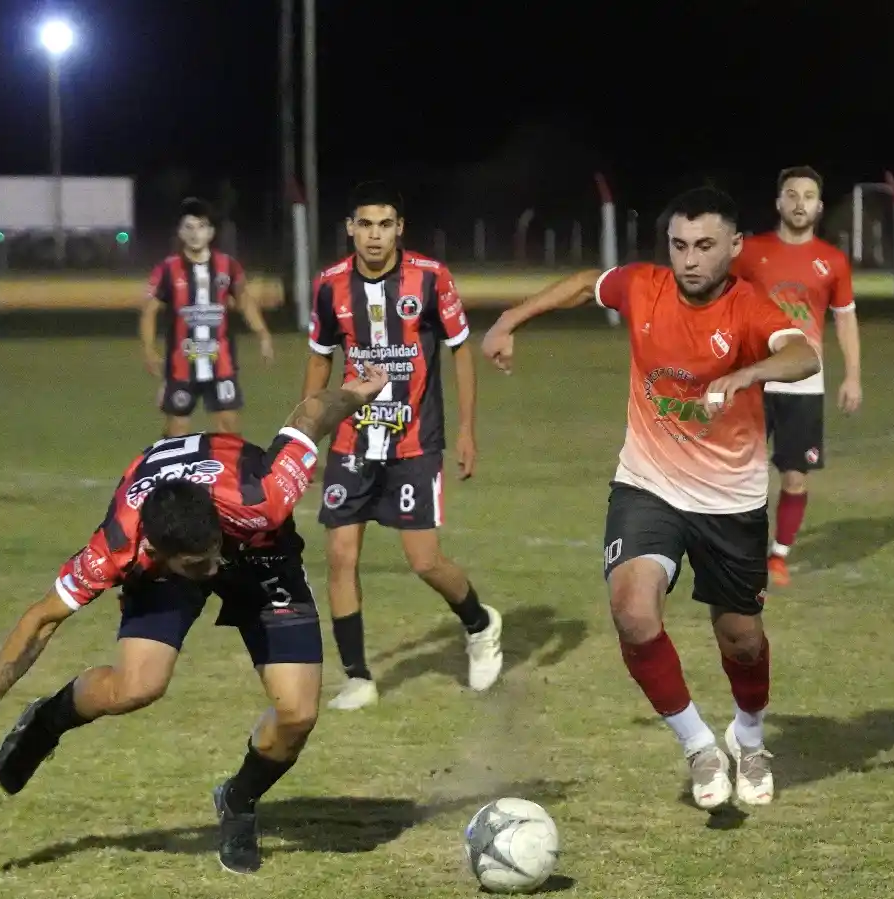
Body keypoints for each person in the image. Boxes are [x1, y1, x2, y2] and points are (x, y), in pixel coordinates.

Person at [0, 364, 390, 875]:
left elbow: (309, 417)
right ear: (156, 552)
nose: (213, 569)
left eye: (213, 555)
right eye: (200, 567)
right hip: (175, 555)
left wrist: (355, 393)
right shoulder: (119, 546)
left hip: (258, 548)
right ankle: (50, 718)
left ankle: (238, 800)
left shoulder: (263, 498)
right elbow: (43, 619)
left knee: (298, 715)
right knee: (139, 686)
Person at [481, 187, 820, 809]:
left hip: (730, 501)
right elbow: (587, 283)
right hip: (648, 485)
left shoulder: (749, 309)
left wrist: (746, 374)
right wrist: (508, 320)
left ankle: (748, 737)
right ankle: (699, 748)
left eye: (706, 246)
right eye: (680, 245)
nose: (690, 260)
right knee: (633, 612)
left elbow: (801, 355)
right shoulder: (644, 287)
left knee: (741, 639)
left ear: (735, 247)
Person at [302, 180, 502, 711]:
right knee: (340, 556)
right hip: (350, 440)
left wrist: (465, 430)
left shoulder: (431, 279)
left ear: (399, 229)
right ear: (350, 228)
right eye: (364, 224)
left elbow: (460, 351)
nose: (374, 235)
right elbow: (320, 357)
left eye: (385, 224)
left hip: (415, 442)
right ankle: (358, 676)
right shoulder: (328, 287)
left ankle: (480, 625)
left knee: (424, 561)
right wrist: (306, 431)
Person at [731, 166, 862, 587]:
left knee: (795, 474)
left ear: (819, 207)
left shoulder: (833, 261)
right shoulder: (749, 252)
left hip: (805, 381)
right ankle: (736, 550)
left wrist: (853, 376)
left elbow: (844, 321)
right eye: (791, 194)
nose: (799, 203)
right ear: (778, 203)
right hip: (753, 377)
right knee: (739, 470)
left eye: (808, 196)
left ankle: (779, 556)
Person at [141, 197, 276, 437]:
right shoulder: (166, 269)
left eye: (201, 226)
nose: (195, 234)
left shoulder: (228, 266)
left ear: (211, 232)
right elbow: (150, 311)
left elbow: (244, 301)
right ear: (180, 232)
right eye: (189, 227)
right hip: (181, 366)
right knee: (177, 432)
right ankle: (169, 470)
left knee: (229, 427)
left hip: (221, 363)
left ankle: (228, 474)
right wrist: (149, 349)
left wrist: (263, 335)